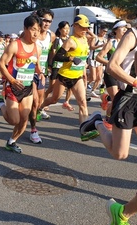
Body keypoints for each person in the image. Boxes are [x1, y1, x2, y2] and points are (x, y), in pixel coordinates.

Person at [80, 0, 137, 215]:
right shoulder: (131, 36)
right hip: (127, 98)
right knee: (120, 154)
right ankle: (98, 122)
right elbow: (113, 65)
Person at [39, 14, 99, 141]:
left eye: (86, 28)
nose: (84, 30)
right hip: (64, 76)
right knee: (54, 99)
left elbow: (83, 57)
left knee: (82, 103)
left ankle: (84, 131)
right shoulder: (71, 41)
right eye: (82, 27)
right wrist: (70, 58)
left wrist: (83, 68)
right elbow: (57, 57)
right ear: (75, 26)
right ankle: (39, 108)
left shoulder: (85, 39)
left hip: (77, 77)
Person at [0, 15, 42, 153]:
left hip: (27, 88)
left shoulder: (38, 48)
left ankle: (11, 141)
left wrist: (40, 72)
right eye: (33, 29)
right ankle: (0, 103)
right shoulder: (15, 45)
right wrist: (11, 80)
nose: (36, 33)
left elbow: (35, 65)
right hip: (13, 87)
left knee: (24, 119)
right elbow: (1, 63)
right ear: (25, 29)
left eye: (38, 30)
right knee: (14, 120)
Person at [29, 8, 56, 144]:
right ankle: (34, 130)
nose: (46, 23)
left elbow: (52, 52)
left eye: (49, 21)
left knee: (39, 103)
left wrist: (50, 65)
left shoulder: (51, 36)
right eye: (44, 20)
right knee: (34, 101)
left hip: (42, 73)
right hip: (28, 72)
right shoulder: (32, 33)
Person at [95, 19, 128, 130]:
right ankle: (108, 120)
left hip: (122, 75)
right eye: (122, 27)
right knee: (116, 99)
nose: (125, 30)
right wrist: (111, 64)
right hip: (111, 73)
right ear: (115, 30)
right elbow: (98, 57)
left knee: (119, 98)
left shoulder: (127, 43)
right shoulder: (111, 43)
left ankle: (106, 98)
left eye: (126, 28)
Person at [45, 21, 74, 111]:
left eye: (68, 29)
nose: (67, 31)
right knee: (52, 87)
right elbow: (53, 53)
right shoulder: (57, 40)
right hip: (57, 65)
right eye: (65, 29)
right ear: (60, 30)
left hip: (67, 66)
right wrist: (50, 65)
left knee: (70, 86)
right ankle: (44, 101)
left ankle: (67, 102)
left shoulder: (70, 40)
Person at [87, 24, 108, 98]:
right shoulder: (95, 38)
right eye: (103, 31)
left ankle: (92, 91)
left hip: (100, 60)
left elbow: (105, 51)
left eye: (106, 32)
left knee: (99, 78)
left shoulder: (105, 40)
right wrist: (100, 46)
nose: (104, 33)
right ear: (100, 30)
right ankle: (85, 83)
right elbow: (91, 47)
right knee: (93, 77)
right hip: (93, 58)